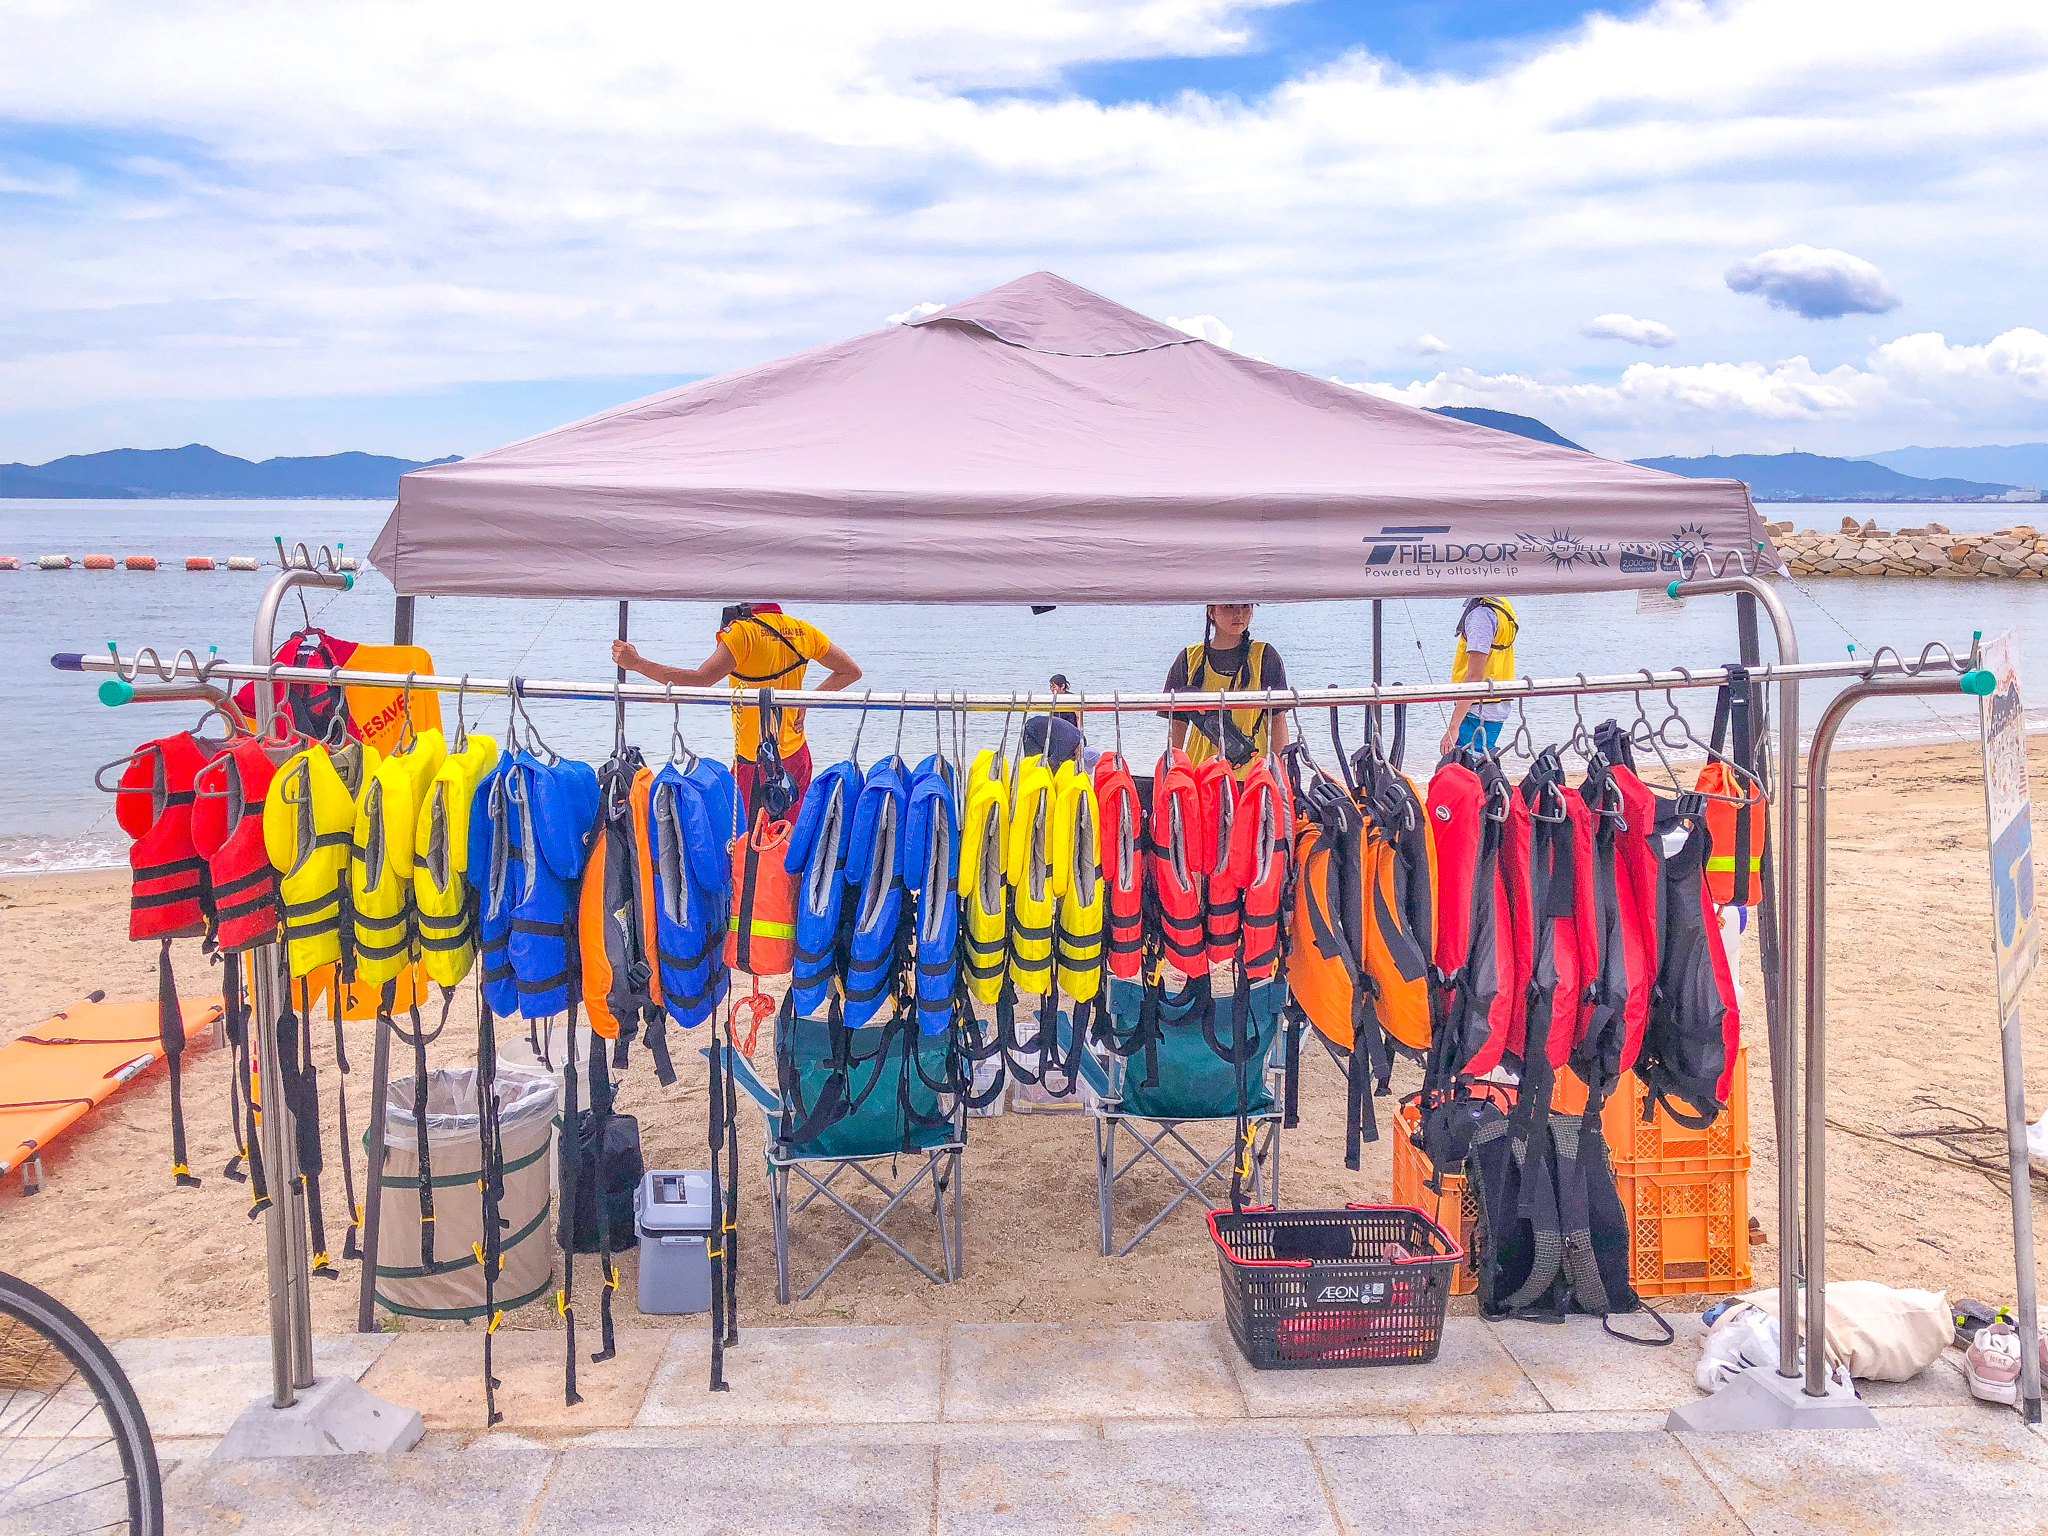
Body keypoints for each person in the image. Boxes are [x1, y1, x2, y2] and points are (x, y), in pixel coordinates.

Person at [613, 603, 862, 816]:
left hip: (753, 758)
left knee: (747, 842)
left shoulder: (743, 633)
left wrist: (637, 664)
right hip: (795, 753)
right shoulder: (803, 630)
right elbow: (851, 671)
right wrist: (805, 699)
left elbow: (701, 680)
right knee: (788, 839)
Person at [1161, 603, 1290, 774]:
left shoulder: (1265, 655)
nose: (1239, 614)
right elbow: (1177, 725)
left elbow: (1278, 720)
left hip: (1253, 774)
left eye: (1245, 607)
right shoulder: (1189, 658)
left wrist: (1281, 771)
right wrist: (1172, 772)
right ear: (1211, 612)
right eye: (1229, 607)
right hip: (1201, 771)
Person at [1438, 596, 1518, 757]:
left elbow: (1474, 676)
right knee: (1479, 766)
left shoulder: (1481, 614)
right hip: (1496, 704)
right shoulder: (1501, 605)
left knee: (1462, 769)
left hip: (1476, 708)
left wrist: (1453, 726)